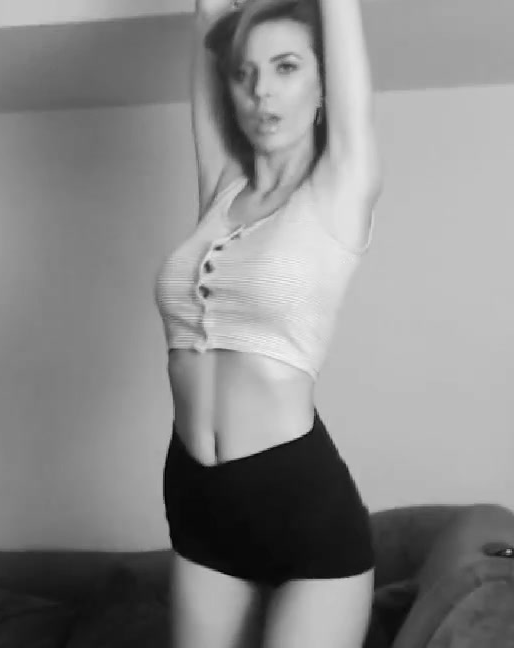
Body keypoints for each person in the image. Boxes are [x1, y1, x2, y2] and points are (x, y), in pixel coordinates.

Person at [152, 0, 382, 645]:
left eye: (286, 67)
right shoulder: (221, 189)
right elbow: (209, 20)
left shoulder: (340, 189)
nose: (261, 91)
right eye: (244, 73)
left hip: (300, 506)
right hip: (196, 500)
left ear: (323, 85)